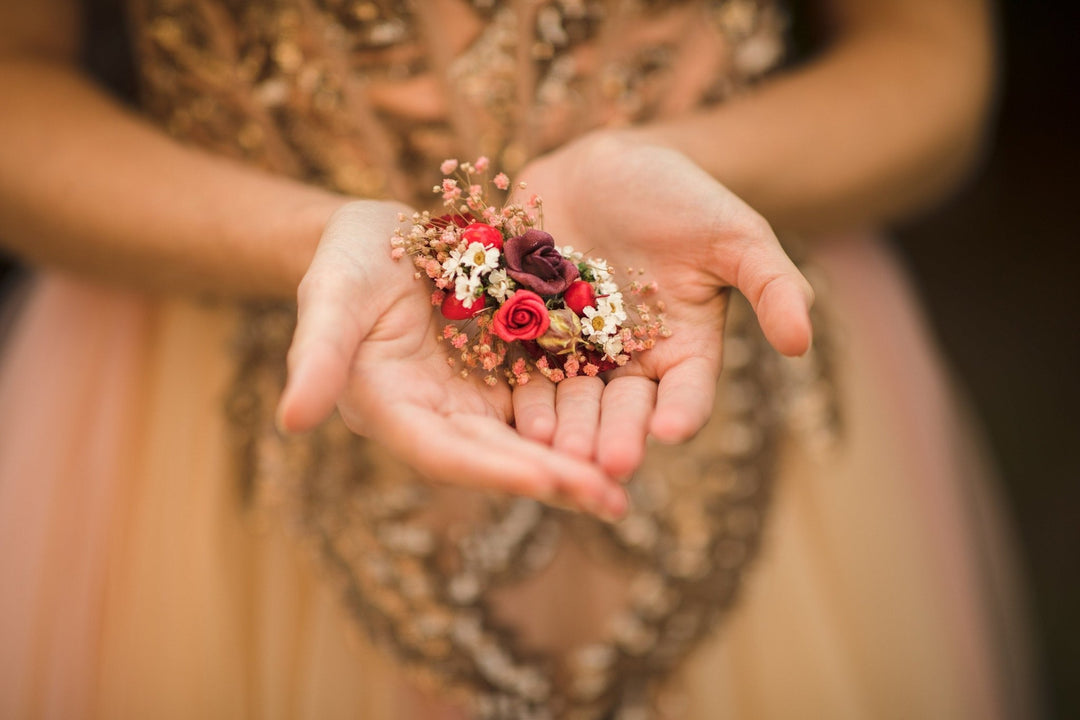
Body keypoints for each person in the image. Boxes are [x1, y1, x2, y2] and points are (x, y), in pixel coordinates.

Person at [0, 0, 1034, 718]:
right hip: (205, 397)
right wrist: (308, 238)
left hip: (708, 330)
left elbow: (933, 56)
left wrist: (689, 174)